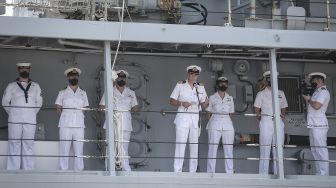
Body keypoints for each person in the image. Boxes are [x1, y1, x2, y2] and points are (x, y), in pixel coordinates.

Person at [2, 63, 43, 170]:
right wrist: (13, 113)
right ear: (18, 70)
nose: (24, 70)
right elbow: (5, 102)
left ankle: (28, 171)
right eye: (22, 68)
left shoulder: (36, 86)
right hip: (14, 119)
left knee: (28, 144)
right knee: (14, 143)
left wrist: (31, 113)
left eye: (26, 68)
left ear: (29, 70)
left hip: (30, 119)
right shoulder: (11, 86)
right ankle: (12, 171)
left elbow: (39, 102)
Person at [169, 65, 208, 172]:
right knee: (180, 145)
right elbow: (171, 100)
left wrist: (206, 103)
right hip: (183, 118)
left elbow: (205, 103)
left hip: (195, 120)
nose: (194, 77)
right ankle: (177, 171)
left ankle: (193, 172)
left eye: (196, 75)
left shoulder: (200, 87)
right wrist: (182, 103)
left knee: (194, 147)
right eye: (192, 74)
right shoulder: (180, 85)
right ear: (188, 74)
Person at [99, 70, 139, 171]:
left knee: (124, 147)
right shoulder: (109, 91)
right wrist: (110, 112)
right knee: (111, 147)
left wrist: (133, 108)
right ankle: (109, 168)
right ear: (116, 78)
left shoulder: (131, 93)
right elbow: (101, 106)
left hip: (126, 123)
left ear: (126, 79)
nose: (121, 79)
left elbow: (136, 107)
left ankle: (125, 167)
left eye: (123, 78)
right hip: (113, 122)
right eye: (119, 77)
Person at [254, 70, 288, 174]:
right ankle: (263, 174)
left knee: (278, 148)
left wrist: (281, 117)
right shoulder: (261, 94)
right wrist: (262, 119)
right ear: (266, 79)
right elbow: (256, 108)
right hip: (266, 120)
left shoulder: (281, 93)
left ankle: (278, 173)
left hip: (278, 121)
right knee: (265, 148)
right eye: (269, 78)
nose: (271, 80)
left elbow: (284, 107)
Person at [55, 67, 89, 171]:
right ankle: (63, 170)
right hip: (65, 124)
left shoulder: (83, 93)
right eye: (71, 75)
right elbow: (58, 107)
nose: (73, 77)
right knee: (64, 149)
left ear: (78, 77)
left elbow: (86, 107)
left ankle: (79, 170)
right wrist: (65, 117)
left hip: (79, 124)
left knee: (79, 149)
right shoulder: (62, 92)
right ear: (68, 77)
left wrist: (79, 116)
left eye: (75, 75)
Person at [302, 72, 330, 176]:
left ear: (321, 80)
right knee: (314, 150)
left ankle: (324, 174)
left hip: (319, 124)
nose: (314, 83)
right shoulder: (316, 92)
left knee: (321, 149)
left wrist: (309, 100)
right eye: (313, 81)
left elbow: (317, 106)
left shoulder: (323, 92)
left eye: (315, 81)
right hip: (313, 124)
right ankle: (319, 173)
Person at [206, 76, 235, 173]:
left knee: (229, 149)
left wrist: (224, 120)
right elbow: (208, 112)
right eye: (221, 83)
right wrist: (214, 121)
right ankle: (210, 172)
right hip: (215, 124)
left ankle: (229, 172)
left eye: (225, 83)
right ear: (217, 84)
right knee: (212, 149)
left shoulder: (230, 98)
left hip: (227, 125)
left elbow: (231, 113)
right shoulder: (212, 97)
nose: (223, 84)